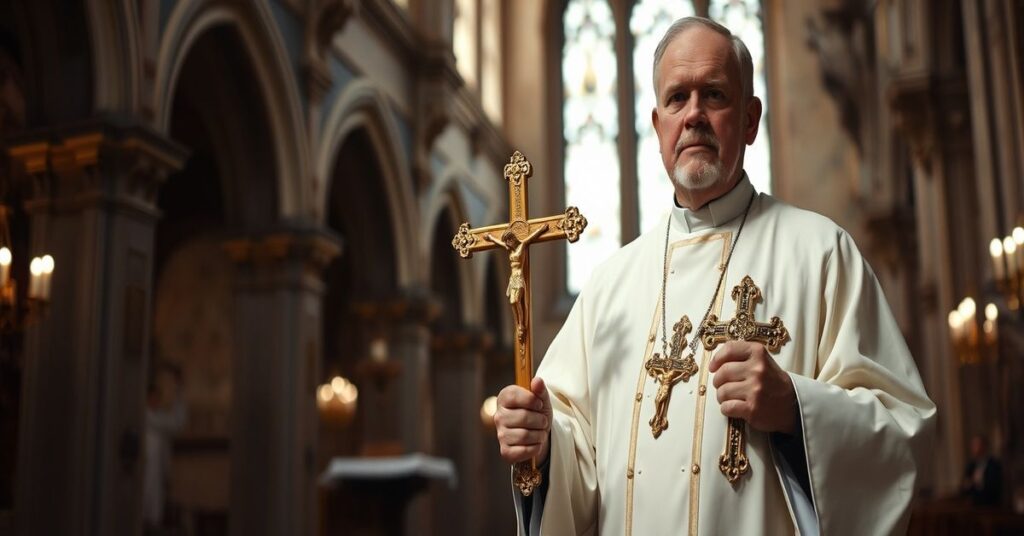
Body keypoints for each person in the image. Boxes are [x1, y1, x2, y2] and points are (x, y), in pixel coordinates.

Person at [493, 16, 936, 535]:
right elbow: (577, 450)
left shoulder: (821, 252)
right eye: (677, 98)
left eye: (715, 95)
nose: (694, 115)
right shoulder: (610, 284)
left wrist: (794, 407)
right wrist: (542, 441)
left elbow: (903, 433)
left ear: (750, 119)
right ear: (657, 126)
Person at [142, 362, 187, 530]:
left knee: (154, 515)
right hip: (146, 475)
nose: (156, 400)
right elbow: (171, 423)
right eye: (153, 396)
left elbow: (177, 423)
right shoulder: (145, 417)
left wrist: (179, 391)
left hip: (157, 475)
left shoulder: (158, 417)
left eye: (157, 396)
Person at [962, 434, 1003, 507]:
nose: (974, 448)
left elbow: (994, 487)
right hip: (974, 505)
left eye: (977, 444)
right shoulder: (971, 466)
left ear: (984, 446)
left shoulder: (993, 464)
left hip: (991, 505)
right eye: (973, 445)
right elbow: (965, 486)